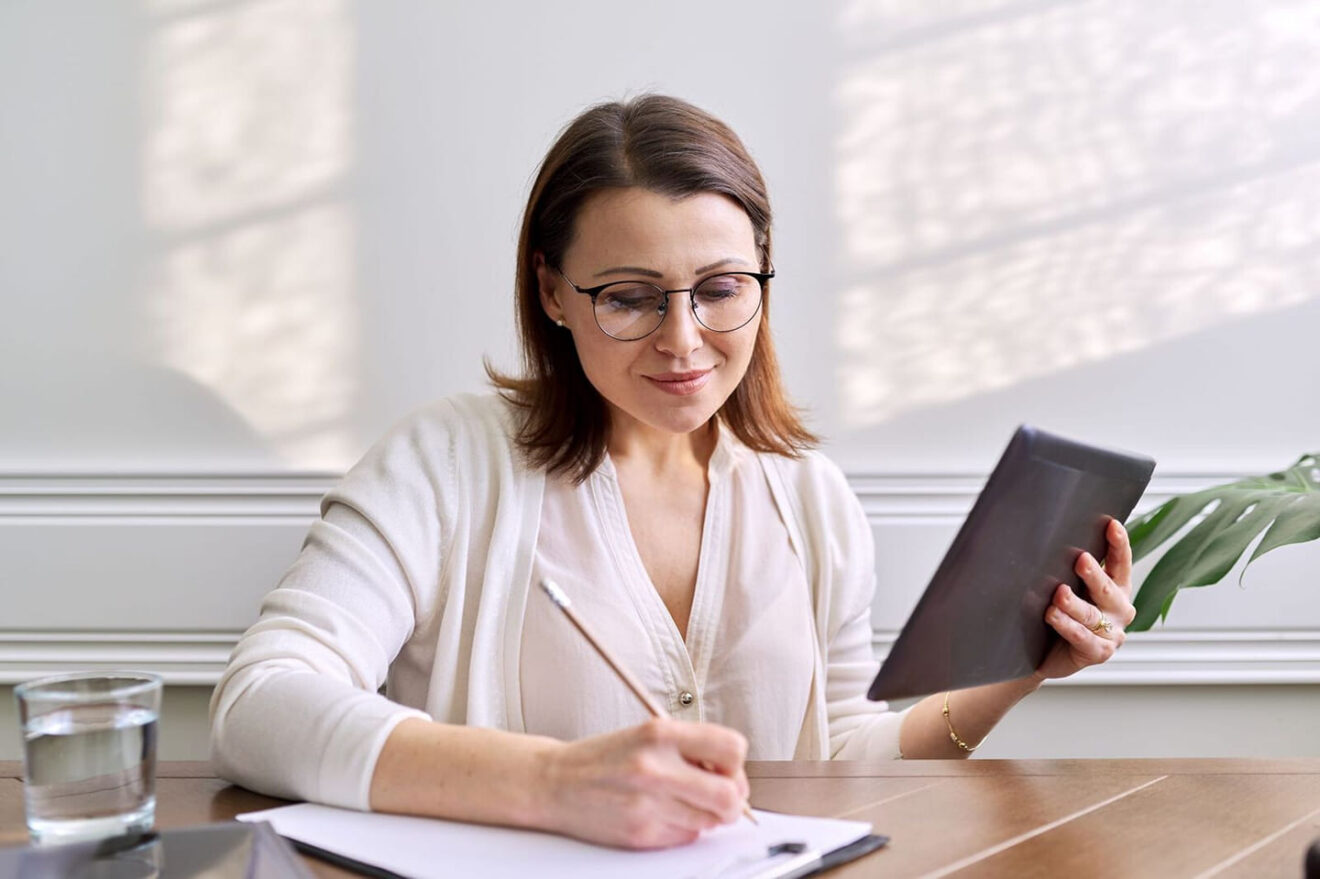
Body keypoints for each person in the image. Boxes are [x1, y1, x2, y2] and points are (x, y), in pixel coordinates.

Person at [209, 94, 1137, 850]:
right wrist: (552, 783)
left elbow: (841, 755)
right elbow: (260, 705)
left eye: (722, 289)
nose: (683, 341)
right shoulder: (445, 464)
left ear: (763, 276)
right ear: (551, 293)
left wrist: (1019, 669)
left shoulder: (810, 497)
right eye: (629, 298)